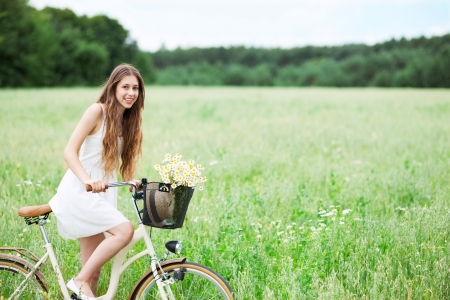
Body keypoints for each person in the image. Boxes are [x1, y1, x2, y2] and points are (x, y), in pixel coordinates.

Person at [49, 63, 145, 299]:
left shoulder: (129, 120)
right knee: (124, 231)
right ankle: (78, 281)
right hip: (80, 190)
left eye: (135, 88)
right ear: (113, 87)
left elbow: (113, 161)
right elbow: (69, 151)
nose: (131, 93)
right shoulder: (97, 111)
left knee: (93, 275)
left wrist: (129, 180)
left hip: (102, 192)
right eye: (125, 87)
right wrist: (88, 180)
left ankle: (82, 283)